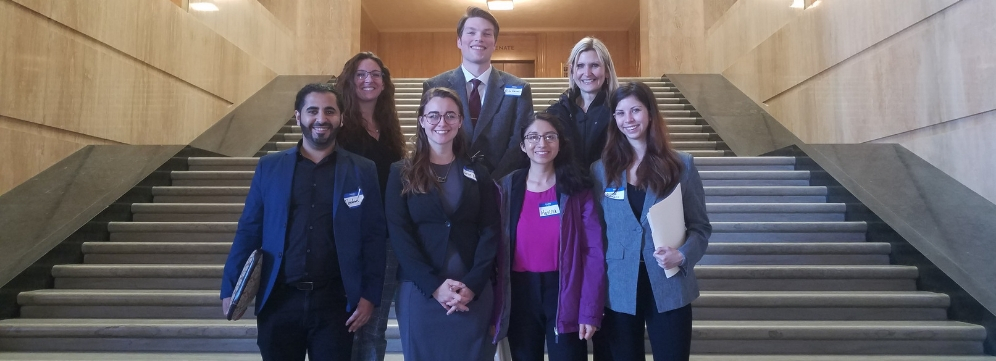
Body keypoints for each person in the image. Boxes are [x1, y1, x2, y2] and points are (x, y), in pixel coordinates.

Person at [220, 83, 387, 361]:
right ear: (298, 117)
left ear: (341, 118)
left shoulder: (362, 170)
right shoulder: (269, 167)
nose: (321, 119)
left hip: (336, 304)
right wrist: (230, 286)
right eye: (312, 111)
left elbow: (373, 237)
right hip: (279, 300)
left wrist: (370, 295)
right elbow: (249, 230)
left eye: (330, 111)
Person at [590, 82, 711, 361]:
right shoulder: (601, 170)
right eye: (620, 113)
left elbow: (700, 227)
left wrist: (682, 255)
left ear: (650, 113)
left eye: (635, 110)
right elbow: (597, 232)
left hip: (668, 283)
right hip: (619, 285)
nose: (628, 119)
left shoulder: (681, 165)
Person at [385, 87, 500, 361]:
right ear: (422, 120)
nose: (442, 123)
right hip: (421, 291)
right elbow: (400, 235)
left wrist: (472, 284)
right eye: (434, 115)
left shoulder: (477, 173)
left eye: (450, 115)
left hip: (472, 294)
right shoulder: (401, 172)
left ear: (461, 121)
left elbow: (490, 230)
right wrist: (434, 286)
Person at [496, 112, 606, 361]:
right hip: (521, 292)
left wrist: (589, 310)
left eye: (549, 137)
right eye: (533, 137)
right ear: (523, 145)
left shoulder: (577, 188)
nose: (542, 144)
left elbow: (593, 251)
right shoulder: (506, 187)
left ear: (560, 143)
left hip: (564, 289)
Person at [334, 52, 405, 361]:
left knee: (375, 327)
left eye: (376, 74)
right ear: (349, 80)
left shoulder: (389, 128)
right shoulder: (339, 126)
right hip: (347, 240)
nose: (369, 80)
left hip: (385, 239)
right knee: (347, 324)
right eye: (361, 74)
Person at [423, 6, 534, 178]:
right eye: (471, 32)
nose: (479, 38)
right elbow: (426, 137)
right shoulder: (435, 85)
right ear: (459, 41)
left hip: (501, 185)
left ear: (495, 43)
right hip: (448, 181)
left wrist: (495, 182)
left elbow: (520, 140)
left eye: (487, 34)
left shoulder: (519, 88)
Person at [545, 37, 620, 168]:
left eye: (595, 65)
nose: (587, 73)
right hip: (568, 186)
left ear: (607, 71)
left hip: (609, 185)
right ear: (572, 70)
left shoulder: (620, 111)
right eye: (580, 66)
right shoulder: (555, 113)